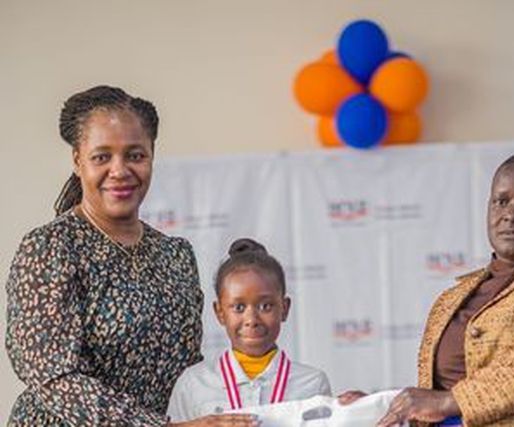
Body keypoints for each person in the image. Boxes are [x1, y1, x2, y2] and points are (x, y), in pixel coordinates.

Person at [342, 152, 514, 426]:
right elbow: (436, 399)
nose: (511, 214)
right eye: (501, 201)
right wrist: (381, 407)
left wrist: (448, 401)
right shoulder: (451, 299)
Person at [4, 85, 213, 426]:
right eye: (102, 156)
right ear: (77, 160)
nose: (120, 170)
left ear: (151, 157)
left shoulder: (176, 255)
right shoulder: (49, 249)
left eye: (135, 155)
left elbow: (190, 375)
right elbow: (54, 378)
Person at [168, 238, 331, 424]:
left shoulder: (312, 384)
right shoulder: (193, 383)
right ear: (220, 312)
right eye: (238, 307)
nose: (252, 320)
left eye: (265, 306)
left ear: (284, 308)